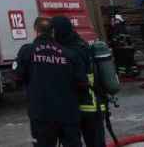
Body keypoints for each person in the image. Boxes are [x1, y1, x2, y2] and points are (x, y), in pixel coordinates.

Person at [15, 17, 87, 147]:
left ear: (36, 31)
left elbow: (18, 78)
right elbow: (82, 84)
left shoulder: (26, 52)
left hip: (41, 115)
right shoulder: (70, 54)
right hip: (68, 114)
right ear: (53, 32)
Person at [51, 16, 106, 147]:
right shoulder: (81, 44)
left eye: (53, 31)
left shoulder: (66, 52)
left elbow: (76, 81)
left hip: (80, 107)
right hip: (93, 106)